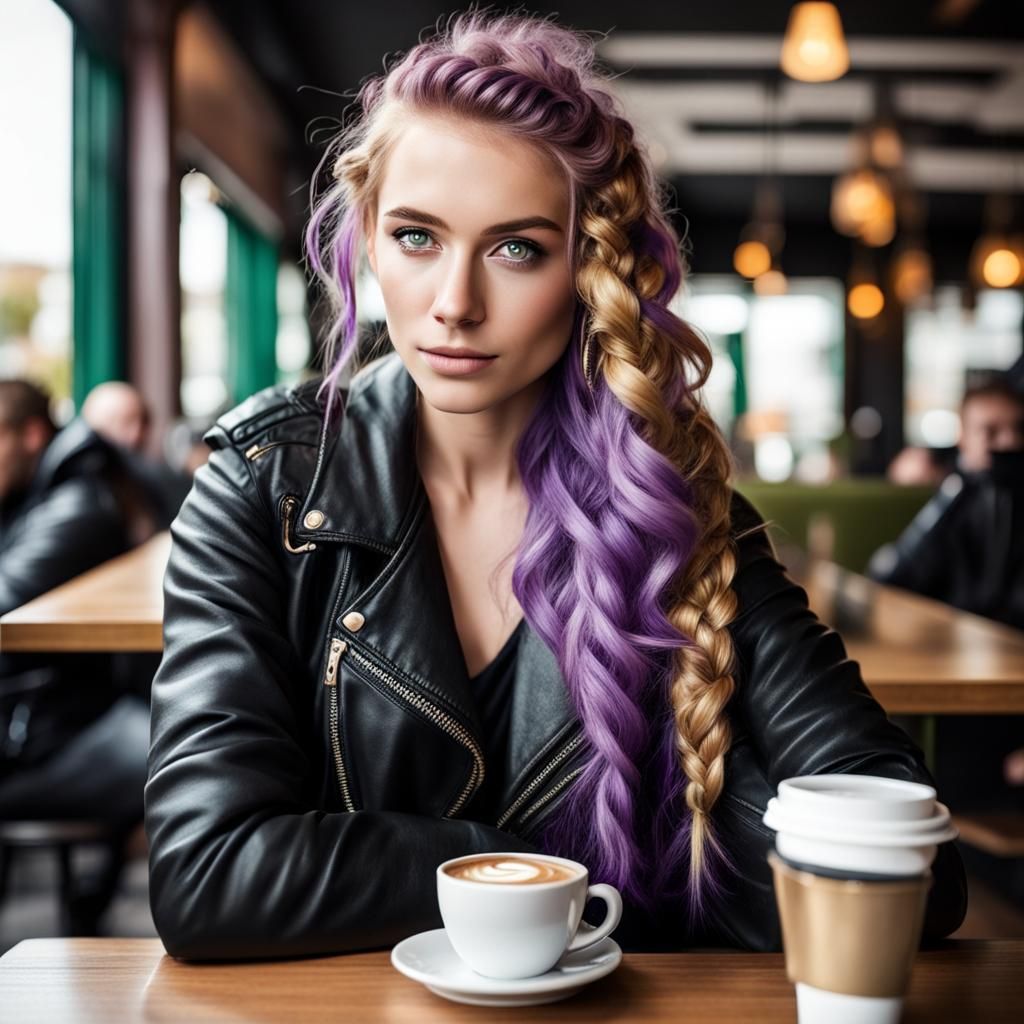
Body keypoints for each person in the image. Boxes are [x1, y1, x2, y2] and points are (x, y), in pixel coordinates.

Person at [145, 11, 966, 961]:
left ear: (587, 269)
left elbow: (913, 872)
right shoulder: (262, 488)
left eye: (517, 249)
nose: (454, 303)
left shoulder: (680, 515)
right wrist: (556, 870)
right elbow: (207, 876)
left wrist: (699, 779)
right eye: (416, 237)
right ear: (368, 237)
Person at [0, 380, 150, 932]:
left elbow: (7, 599)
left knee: (197, 756)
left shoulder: (77, 503)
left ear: (31, 436)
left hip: (43, 723)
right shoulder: (43, 495)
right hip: (36, 726)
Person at [868, 378, 1024, 629]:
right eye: (990, 432)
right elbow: (890, 578)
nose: (1010, 442)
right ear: (963, 438)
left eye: (1019, 429)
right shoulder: (950, 493)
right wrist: (960, 488)